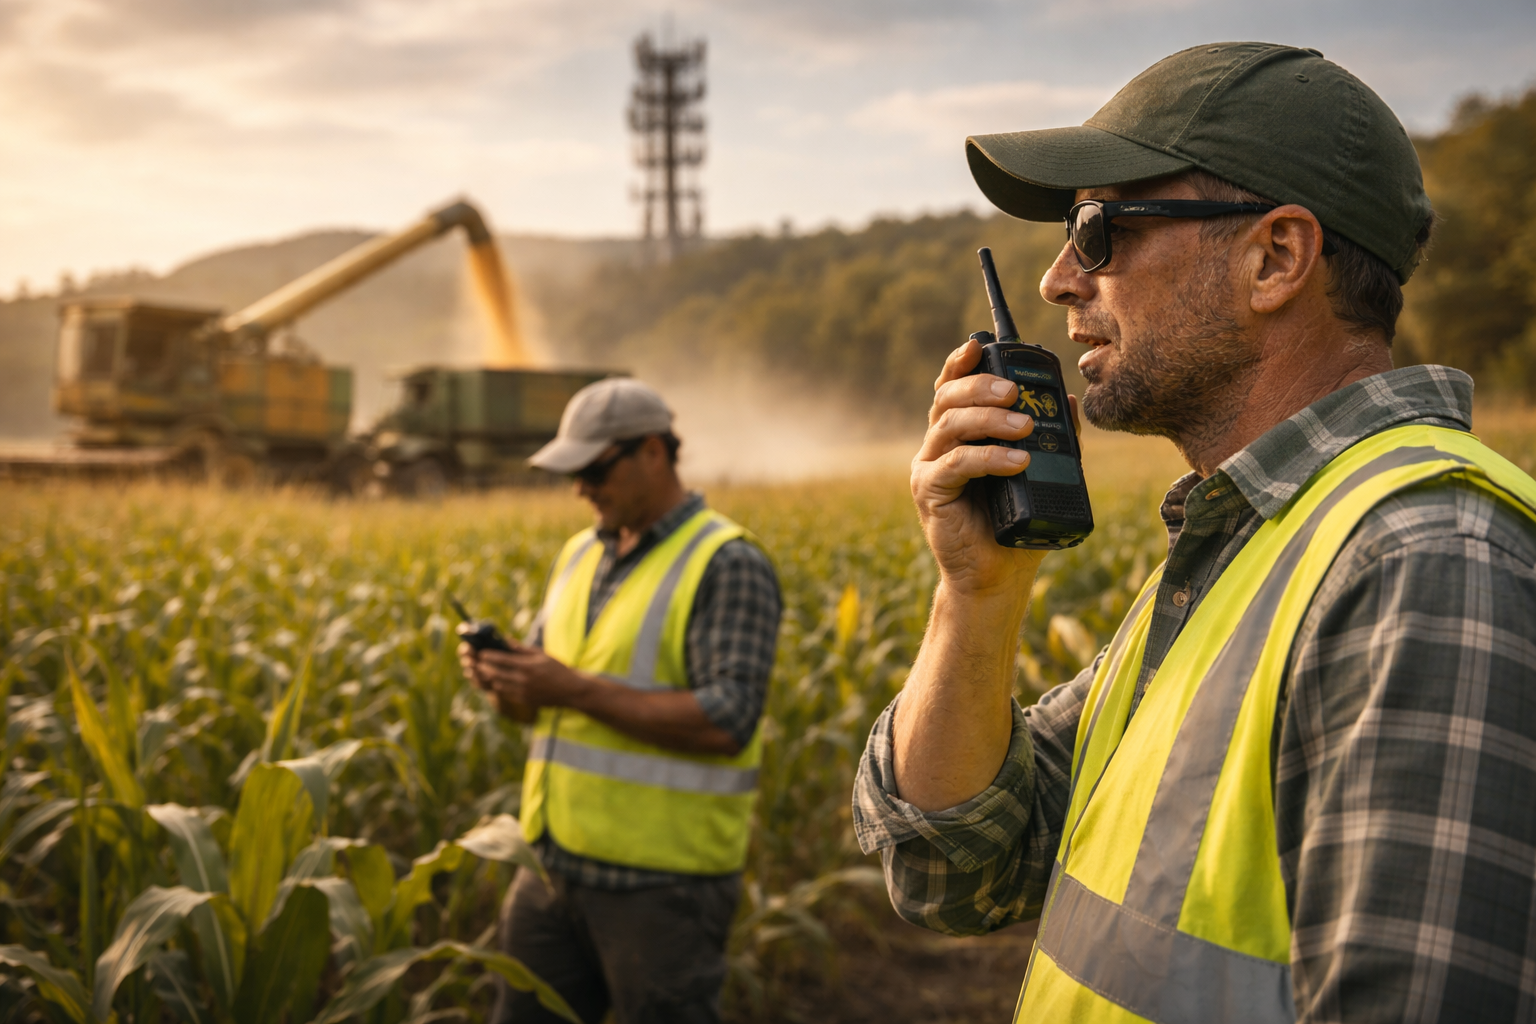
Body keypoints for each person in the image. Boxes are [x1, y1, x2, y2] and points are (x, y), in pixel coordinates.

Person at [852, 42, 1536, 1023]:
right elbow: (953, 869)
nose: (1056, 280)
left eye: (1097, 231)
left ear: (1276, 258)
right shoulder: (1249, 540)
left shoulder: (1424, 560)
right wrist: (977, 594)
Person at [460, 378, 782, 1024]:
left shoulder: (727, 562)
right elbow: (537, 708)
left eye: (594, 470)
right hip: (549, 868)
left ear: (653, 453)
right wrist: (504, 682)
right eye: (572, 473)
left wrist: (569, 687)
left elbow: (728, 721)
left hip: (662, 888)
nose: (580, 488)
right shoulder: (579, 553)